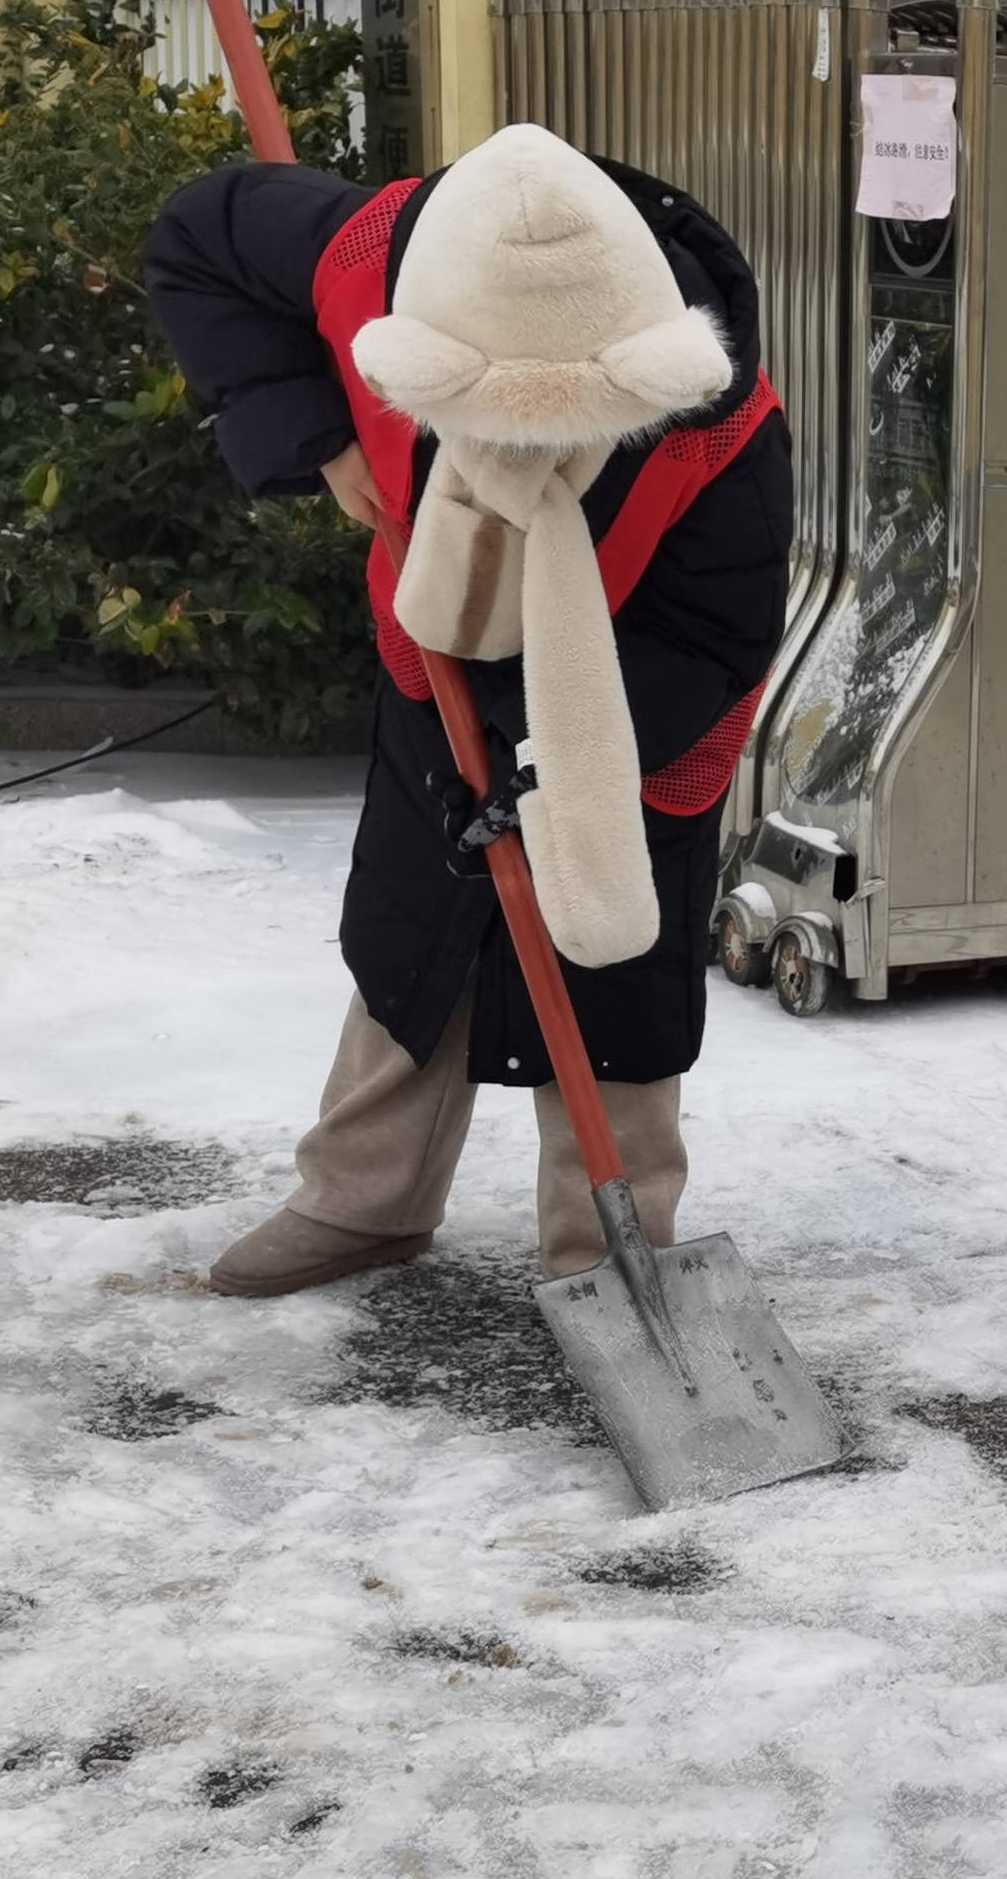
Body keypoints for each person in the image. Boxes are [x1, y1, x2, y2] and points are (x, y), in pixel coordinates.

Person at [143, 126, 794, 1296]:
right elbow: (198, 241)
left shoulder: (718, 424)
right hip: (432, 646)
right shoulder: (371, 256)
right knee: (413, 927)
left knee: (616, 962)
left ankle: (612, 1250)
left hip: (627, 716)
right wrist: (319, 432)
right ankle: (363, 1199)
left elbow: (716, 635)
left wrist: (555, 759)